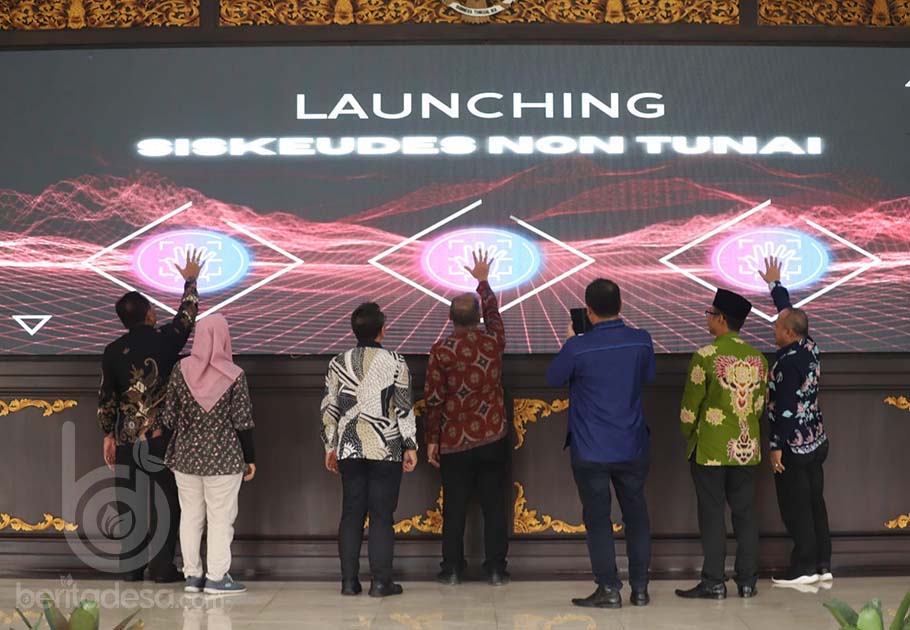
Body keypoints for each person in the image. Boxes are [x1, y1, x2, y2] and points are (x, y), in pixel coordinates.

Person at [546, 279, 656, 609]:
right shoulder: (641, 340)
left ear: (588, 311)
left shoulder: (578, 347)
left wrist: (571, 341)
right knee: (637, 515)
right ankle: (640, 589)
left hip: (591, 448)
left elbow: (553, 378)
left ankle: (609, 588)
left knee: (597, 519)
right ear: (621, 306)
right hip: (632, 444)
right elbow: (648, 377)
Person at [97, 250, 203, 582]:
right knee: (167, 501)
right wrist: (190, 281)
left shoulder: (113, 351)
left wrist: (108, 434)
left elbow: (106, 398)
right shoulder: (164, 342)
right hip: (160, 439)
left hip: (126, 439)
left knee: (129, 503)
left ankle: (131, 569)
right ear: (149, 314)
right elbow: (186, 318)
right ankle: (161, 568)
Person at [675, 288, 768, 600]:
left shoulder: (705, 356)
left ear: (721, 319)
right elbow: (758, 407)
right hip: (748, 448)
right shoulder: (758, 359)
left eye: (710, 314)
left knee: (713, 514)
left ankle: (714, 581)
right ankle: (747, 582)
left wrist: (689, 433)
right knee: (746, 514)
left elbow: (689, 410)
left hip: (711, 449)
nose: (708, 319)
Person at [424, 251, 510, 586]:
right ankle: (496, 569)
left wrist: (432, 439)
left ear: (451, 319)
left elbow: (434, 399)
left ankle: (452, 569)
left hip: (454, 441)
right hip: (493, 436)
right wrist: (483, 282)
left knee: (454, 507)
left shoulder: (441, 350)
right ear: (478, 318)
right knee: (494, 505)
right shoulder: (493, 341)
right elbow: (496, 317)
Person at [321, 302, 418, 598]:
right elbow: (404, 408)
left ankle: (349, 583)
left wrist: (330, 445)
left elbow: (329, 409)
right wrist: (410, 444)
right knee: (381, 515)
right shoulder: (397, 362)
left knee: (351, 513)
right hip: (386, 447)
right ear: (382, 330)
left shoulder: (337, 362)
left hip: (349, 448)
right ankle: (380, 583)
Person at [160, 314, 256, 596]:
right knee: (220, 517)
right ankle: (217, 577)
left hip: (185, 457)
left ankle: (192, 576)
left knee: (190, 516)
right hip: (224, 458)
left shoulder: (180, 370)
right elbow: (242, 422)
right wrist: (250, 458)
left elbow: (169, 417)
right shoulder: (234, 374)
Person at [759, 257, 832, 587]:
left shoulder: (787, 364)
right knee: (815, 502)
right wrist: (775, 285)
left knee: (796, 506)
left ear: (788, 333)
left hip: (794, 447)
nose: (773, 328)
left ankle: (803, 568)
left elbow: (785, 409)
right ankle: (822, 564)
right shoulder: (810, 346)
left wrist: (776, 447)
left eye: (777, 327)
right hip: (816, 440)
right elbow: (788, 312)